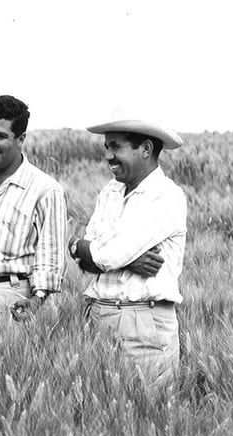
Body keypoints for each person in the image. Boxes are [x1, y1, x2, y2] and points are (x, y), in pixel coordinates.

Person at [70, 117, 187, 385]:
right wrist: (81, 247)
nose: (108, 156)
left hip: (143, 324)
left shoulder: (166, 196)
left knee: (149, 415)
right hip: (100, 317)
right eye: (106, 147)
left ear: (145, 149)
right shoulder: (110, 191)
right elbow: (88, 258)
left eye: (116, 147)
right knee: (99, 412)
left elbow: (106, 256)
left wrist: (87, 248)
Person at [0, 95, 67, 320]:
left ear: (21, 139)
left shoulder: (45, 190)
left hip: (16, 297)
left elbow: (51, 256)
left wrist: (36, 301)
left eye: (1, 136)